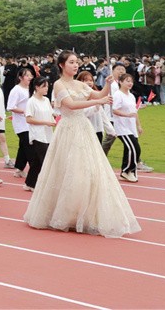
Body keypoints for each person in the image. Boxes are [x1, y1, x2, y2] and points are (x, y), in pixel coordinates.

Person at [23, 51, 140, 238]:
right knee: (68, 171)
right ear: (62, 65)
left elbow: (99, 93)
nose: (75, 65)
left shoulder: (80, 84)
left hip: (84, 129)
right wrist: (98, 101)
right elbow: (70, 105)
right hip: (68, 129)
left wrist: (108, 85)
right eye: (71, 62)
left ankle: (83, 215)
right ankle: (64, 214)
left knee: (89, 171)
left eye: (76, 62)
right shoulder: (59, 84)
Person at [23, 77, 54, 191]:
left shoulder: (46, 100)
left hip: (47, 134)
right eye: (44, 86)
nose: (46, 88)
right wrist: (45, 122)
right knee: (45, 160)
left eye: (47, 86)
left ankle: (30, 183)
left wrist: (55, 117)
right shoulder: (31, 101)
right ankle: (45, 185)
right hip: (37, 135)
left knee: (37, 162)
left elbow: (51, 114)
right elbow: (29, 119)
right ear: (36, 87)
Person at [112, 74, 142, 183]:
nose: (130, 83)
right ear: (120, 82)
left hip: (131, 127)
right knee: (135, 149)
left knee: (129, 149)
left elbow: (134, 112)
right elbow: (114, 110)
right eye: (127, 81)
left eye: (131, 81)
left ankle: (125, 172)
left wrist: (139, 125)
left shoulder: (131, 96)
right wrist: (127, 115)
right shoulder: (118, 95)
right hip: (122, 127)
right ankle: (128, 171)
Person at [7, 68, 34, 178]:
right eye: (27, 75)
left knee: (23, 146)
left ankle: (19, 169)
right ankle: (35, 170)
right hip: (21, 124)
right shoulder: (16, 90)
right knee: (29, 147)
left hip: (30, 122)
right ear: (20, 77)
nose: (30, 77)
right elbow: (10, 106)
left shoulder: (30, 89)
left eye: (30, 75)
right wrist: (24, 111)